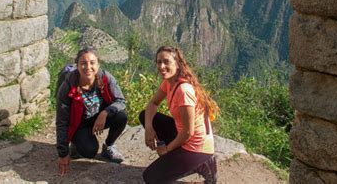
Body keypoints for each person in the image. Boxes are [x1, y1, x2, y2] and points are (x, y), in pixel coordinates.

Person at [139, 45, 219, 183]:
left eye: (166, 62)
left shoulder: (183, 90)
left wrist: (167, 150)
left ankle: (204, 164)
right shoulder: (169, 82)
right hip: (185, 134)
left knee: (150, 178)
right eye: (159, 62)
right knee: (145, 115)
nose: (162, 66)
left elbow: (188, 132)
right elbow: (153, 104)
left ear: (177, 64)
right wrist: (148, 128)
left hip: (198, 147)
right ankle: (175, 158)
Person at [56, 46, 127, 176]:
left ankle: (109, 146)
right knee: (90, 151)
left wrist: (105, 113)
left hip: (98, 117)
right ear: (77, 66)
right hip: (79, 124)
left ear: (98, 65)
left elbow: (121, 101)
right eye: (83, 63)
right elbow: (62, 121)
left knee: (121, 117)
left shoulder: (105, 78)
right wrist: (63, 153)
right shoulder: (68, 86)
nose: (88, 67)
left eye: (92, 63)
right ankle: (76, 143)